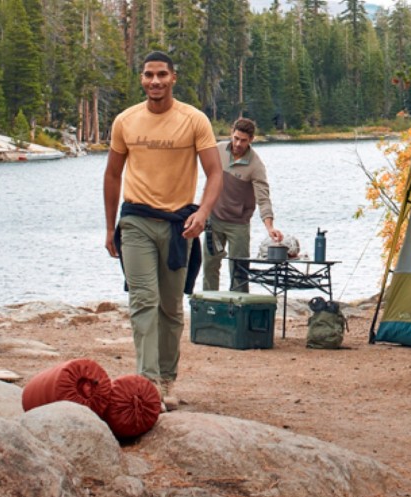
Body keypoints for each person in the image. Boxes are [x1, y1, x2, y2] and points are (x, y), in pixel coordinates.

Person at [102, 51, 223, 410]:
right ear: (142, 79)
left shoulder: (193, 120)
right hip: (136, 220)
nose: (155, 81)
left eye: (161, 75)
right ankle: (147, 382)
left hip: (177, 226)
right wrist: (110, 228)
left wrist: (202, 212)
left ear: (173, 78)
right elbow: (112, 174)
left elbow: (215, 172)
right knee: (143, 300)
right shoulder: (125, 121)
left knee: (170, 307)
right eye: (148, 75)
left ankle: (167, 381)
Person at [203, 117, 281, 293]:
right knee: (210, 266)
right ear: (231, 134)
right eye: (236, 138)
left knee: (239, 270)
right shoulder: (218, 150)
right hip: (213, 219)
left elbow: (263, 198)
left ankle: (238, 311)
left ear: (251, 140)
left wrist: (270, 227)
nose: (238, 143)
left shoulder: (256, 165)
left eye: (243, 140)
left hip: (238, 223)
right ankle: (208, 308)